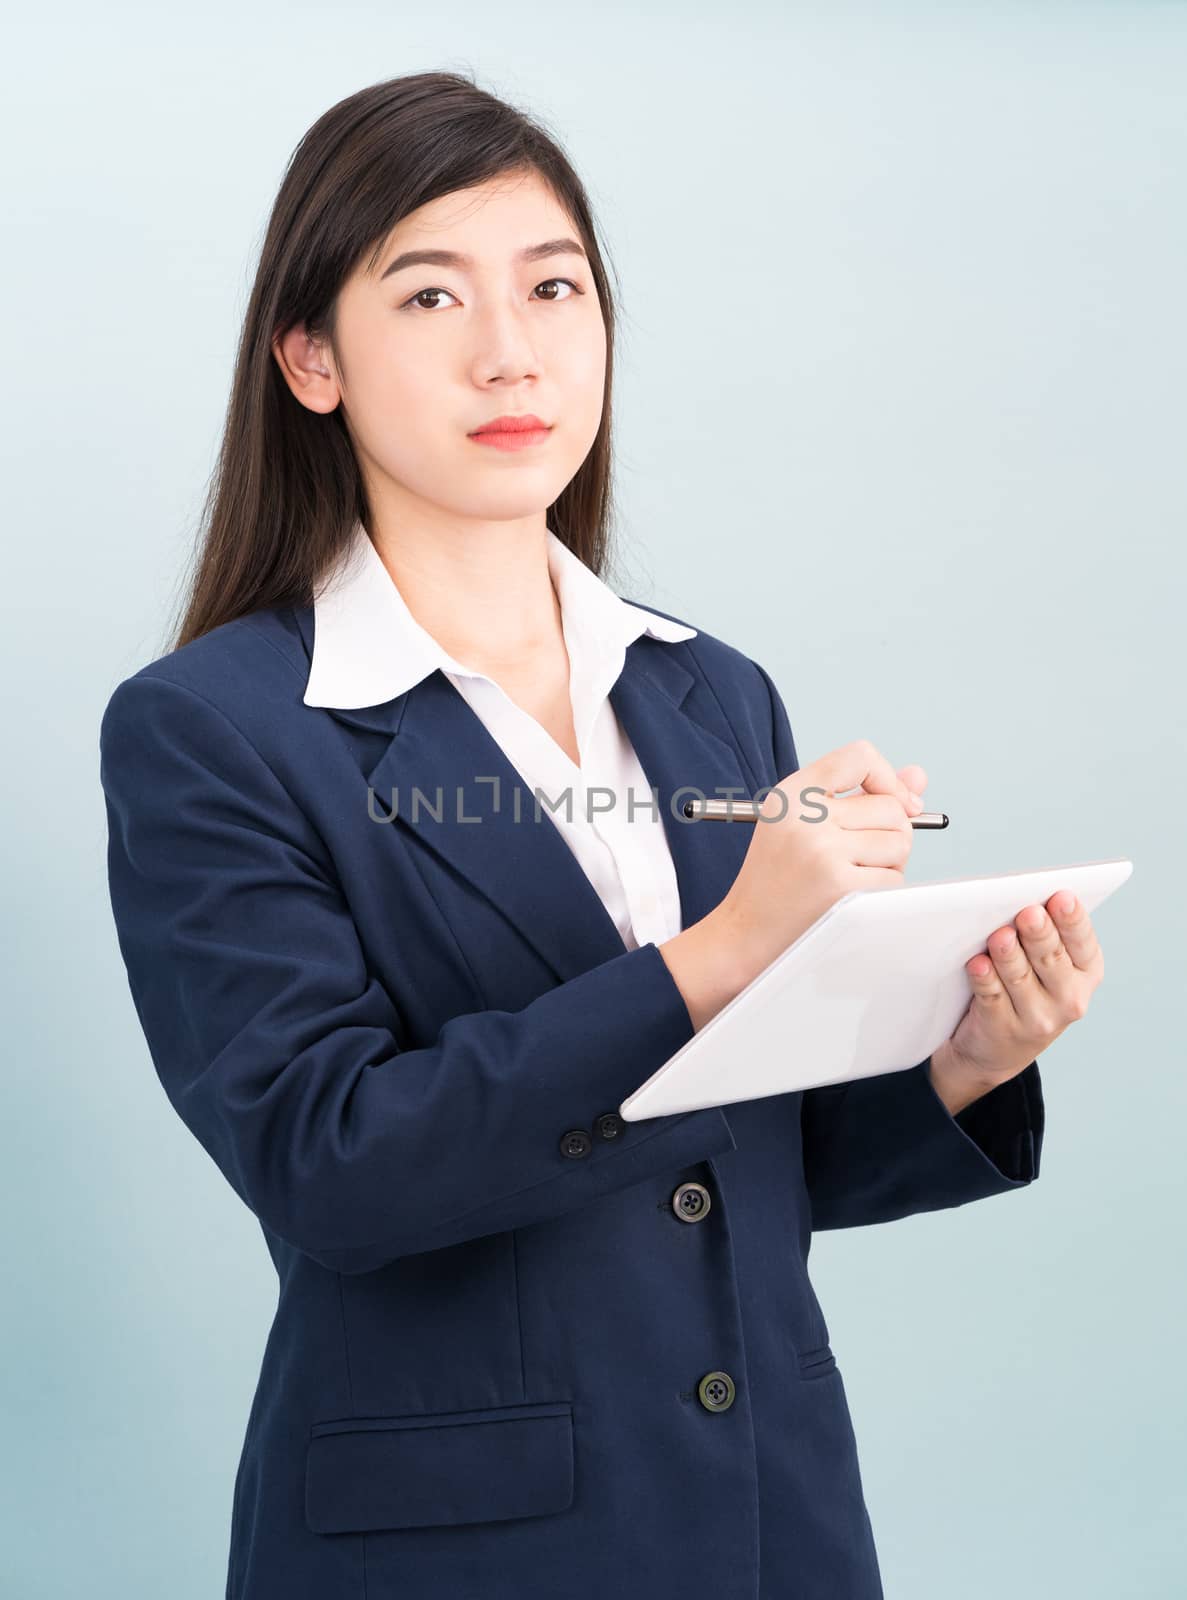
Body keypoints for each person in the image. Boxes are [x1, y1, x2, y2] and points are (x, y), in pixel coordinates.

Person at [98, 70, 1106, 1600]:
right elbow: (334, 1168)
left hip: (771, 1520)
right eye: (430, 298)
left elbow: (734, 1152)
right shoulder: (216, 725)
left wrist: (962, 1061)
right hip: (454, 1546)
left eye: (554, 287)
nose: (512, 349)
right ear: (313, 360)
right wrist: (728, 947)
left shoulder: (710, 690)